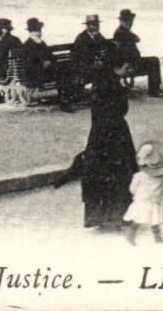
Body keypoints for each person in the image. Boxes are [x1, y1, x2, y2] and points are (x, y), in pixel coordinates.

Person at [55, 53, 137, 229]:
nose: (127, 71)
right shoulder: (114, 85)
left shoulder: (101, 82)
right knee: (119, 173)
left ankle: (99, 216)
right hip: (115, 134)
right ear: (118, 66)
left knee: (99, 173)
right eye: (125, 67)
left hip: (99, 133)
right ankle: (117, 215)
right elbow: (119, 110)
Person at [123, 140, 163, 245]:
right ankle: (133, 234)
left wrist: (134, 193)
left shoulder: (139, 176)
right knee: (149, 218)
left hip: (144, 199)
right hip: (150, 200)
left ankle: (154, 236)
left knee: (149, 218)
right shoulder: (160, 176)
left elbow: (132, 188)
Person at [113, 9, 163, 96]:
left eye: (130, 20)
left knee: (154, 60)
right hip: (127, 64)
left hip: (133, 61)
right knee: (153, 61)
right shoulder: (120, 33)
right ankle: (154, 90)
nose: (130, 22)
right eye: (127, 20)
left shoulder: (124, 31)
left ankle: (155, 88)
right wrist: (128, 65)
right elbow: (121, 53)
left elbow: (137, 38)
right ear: (121, 21)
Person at [23, 17, 55, 91]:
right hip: (34, 72)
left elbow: (50, 55)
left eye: (39, 30)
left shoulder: (42, 43)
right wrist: (42, 64)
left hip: (46, 69)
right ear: (31, 32)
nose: (39, 33)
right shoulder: (27, 45)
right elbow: (29, 62)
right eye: (36, 30)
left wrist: (49, 61)